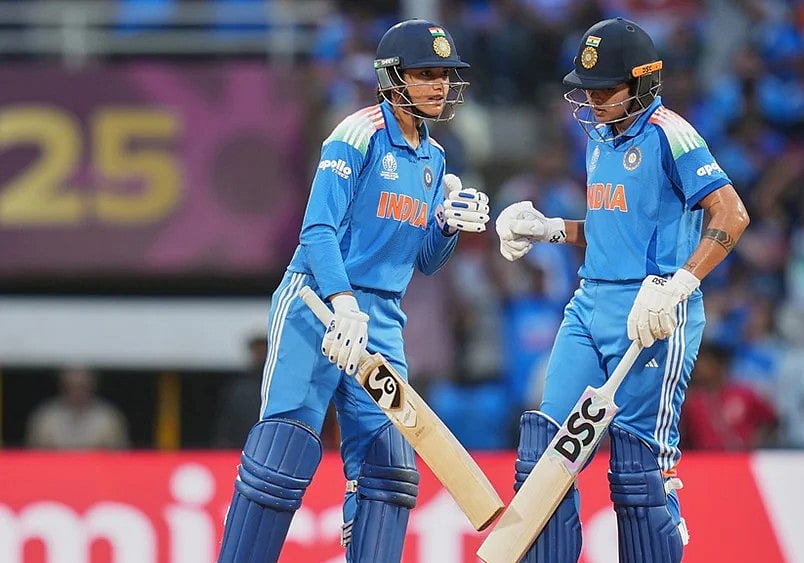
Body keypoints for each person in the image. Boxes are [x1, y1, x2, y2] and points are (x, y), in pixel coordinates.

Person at [216, 19, 489, 563]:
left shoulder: (435, 158)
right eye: (426, 74)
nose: (440, 85)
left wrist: (446, 226)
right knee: (283, 454)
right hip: (316, 302)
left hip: (382, 318)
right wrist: (341, 303)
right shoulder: (356, 133)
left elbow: (425, 262)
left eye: (445, 75)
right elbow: (317, 229)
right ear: (393, 78)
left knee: (389, 469)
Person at [495, 17, 749, 563]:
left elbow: (732, 213)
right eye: (586, 89)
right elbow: (614, 229)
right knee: (544, 460)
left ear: (642, 82)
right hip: (589, 304)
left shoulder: (671, 134)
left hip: (651, 314)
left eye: (605, 89)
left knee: (638, 473)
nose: (592, 101)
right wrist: (549, 229)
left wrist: (678, 286)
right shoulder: (600, 137)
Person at [25, 367, 129, 450]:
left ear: (91, 386)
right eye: (72, 386)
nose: (77, 392)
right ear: (63, 386)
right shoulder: (46, 417)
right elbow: (34, 455)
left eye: (82, 386)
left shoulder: (108, 417)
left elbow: (119, 456)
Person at [212, 334, 267, 448]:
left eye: (263, 349)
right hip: (240, 444)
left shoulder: (276, 385)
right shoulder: (240, 385)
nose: (260, 354)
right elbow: (227, 417)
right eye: (257, 350)